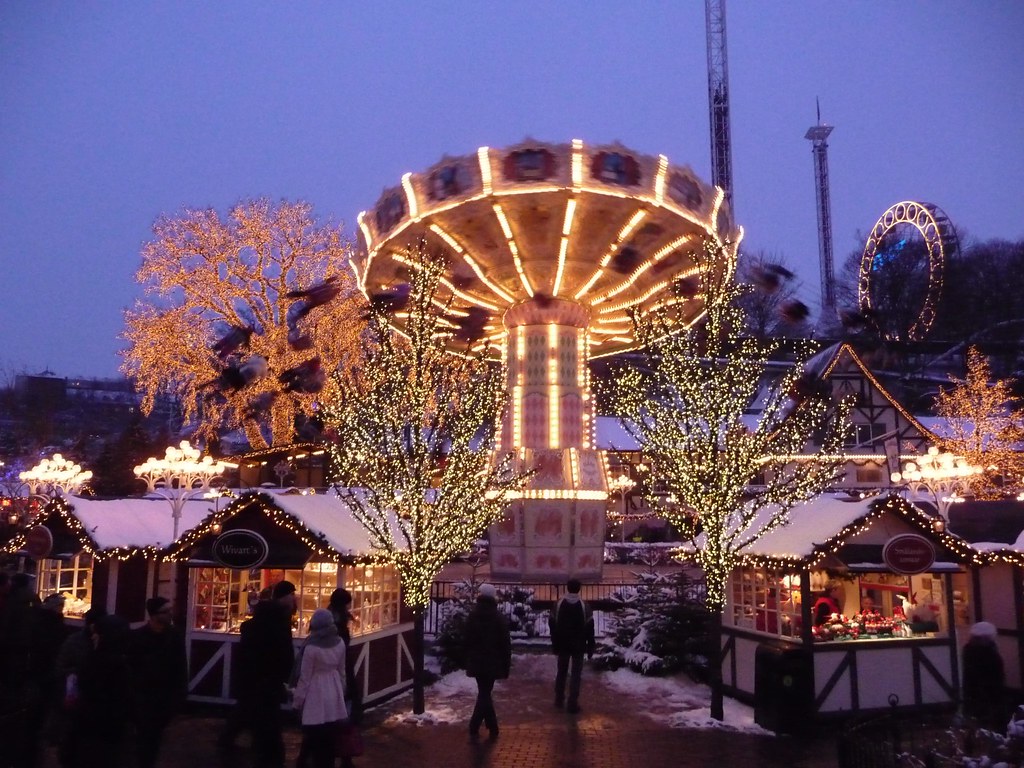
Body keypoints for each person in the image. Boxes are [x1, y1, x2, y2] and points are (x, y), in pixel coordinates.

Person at [226, 580, 297, 768]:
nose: (294, 598)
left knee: (255, 716)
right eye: (291, 595)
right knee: (267, 722)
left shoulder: (255, 627)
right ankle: (271, 757)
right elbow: (283, 655)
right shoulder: (278, 627)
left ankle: (240, 743)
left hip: (255, 682)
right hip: (266, 682)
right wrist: (282, 677)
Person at [128, 597, 187, 768]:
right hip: (144, 696)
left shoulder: (174, 636)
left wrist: (180, 693)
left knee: (153, 737)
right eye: (165, 612)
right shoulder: (138, 637)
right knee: (146, 738)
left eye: (170, 610)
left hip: (164, 696)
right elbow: (133, 667)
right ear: (154, 615)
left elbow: (180, 665)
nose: (170, 614)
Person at [67, 614, 131, 768]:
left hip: (95, 733)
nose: (94, 636)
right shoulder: (119, 663)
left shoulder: (97, 662)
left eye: (97, 633)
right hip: (107, 734)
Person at [292, 608, 348, 768]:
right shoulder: (339, 643)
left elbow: (305, 678)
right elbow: (342, 671)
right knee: (329, 739)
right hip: (334, 689)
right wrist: (342, 692)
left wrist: (297, 702)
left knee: (314, 736)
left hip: (315, 693)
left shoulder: (311, 648)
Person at [463, 583, 511, 740]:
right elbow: (505, 643)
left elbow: (467, 639)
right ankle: (480, 725)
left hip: (477, 660)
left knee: (484, 692)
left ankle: (487, 725)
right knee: (485, 692)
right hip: (493, 661)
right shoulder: (498, 618)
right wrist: (506, 663)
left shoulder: (473, 616)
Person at [550, 578, 594, 714]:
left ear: (567, 588)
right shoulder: (584, 606)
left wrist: (555, 642)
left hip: (563, 644)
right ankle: (572, 703)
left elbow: (552, 623)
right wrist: (590, 645)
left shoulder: (558, 604)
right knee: (576, 674)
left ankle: (559, 698)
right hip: (578, 645)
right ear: (579, 589)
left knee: (561, 672)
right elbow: (590, 627)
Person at [962, 621, 1005, 730]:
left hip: (973, 692)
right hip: (989, 692)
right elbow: (996, 674)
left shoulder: (968, 650)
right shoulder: (989, 653)